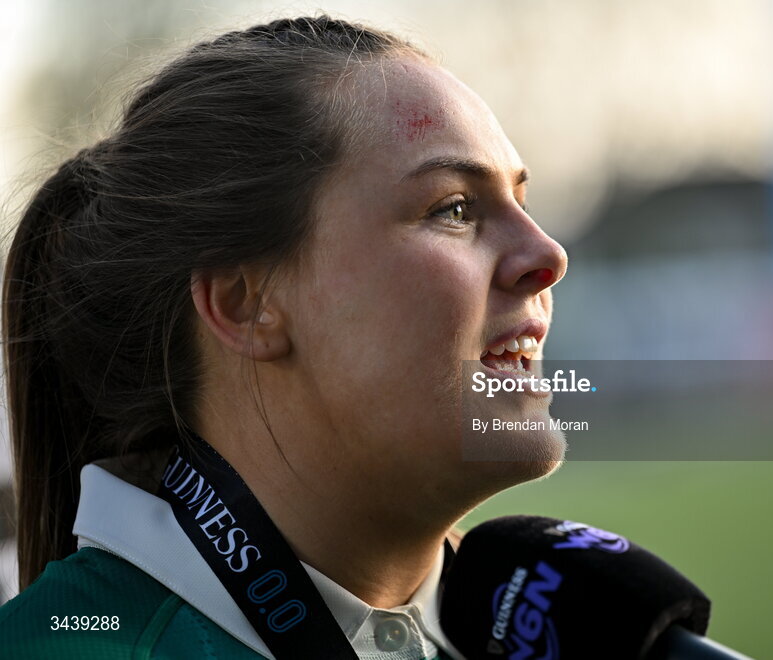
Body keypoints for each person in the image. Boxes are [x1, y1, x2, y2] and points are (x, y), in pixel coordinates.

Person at [0, 15, 568, 659]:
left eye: (523, 202)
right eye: (455, 208)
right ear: (247, 305)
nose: (547, 255)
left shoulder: (552, 640)